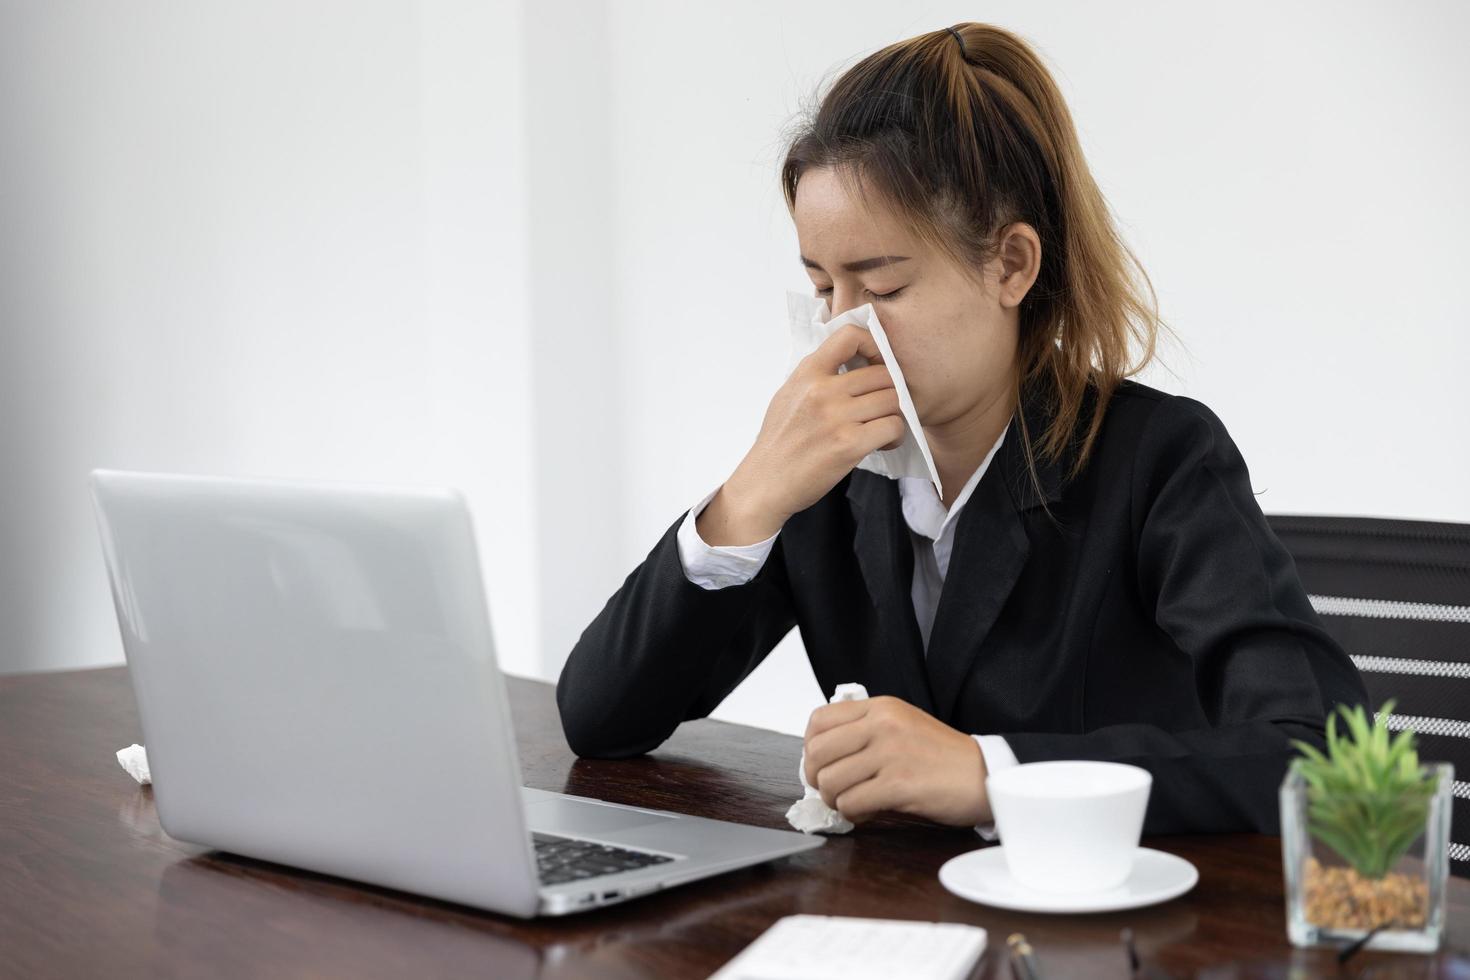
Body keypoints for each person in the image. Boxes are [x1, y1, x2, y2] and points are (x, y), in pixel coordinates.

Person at [555, 22, 1368, 837]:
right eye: (821, 287)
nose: (844, 332)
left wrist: (991, 774)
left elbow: (1325, 766)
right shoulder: (824, 478)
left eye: (882, 286)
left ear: (1010, 265)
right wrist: (747, 498)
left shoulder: (1159, 459)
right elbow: (600, 719)